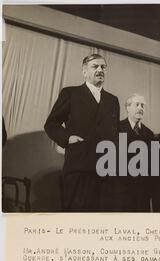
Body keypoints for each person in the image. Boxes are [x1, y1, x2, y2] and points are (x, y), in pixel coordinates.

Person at [44, 53, 120, 211]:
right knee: (77, 220)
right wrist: (67, 138)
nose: (100, 70)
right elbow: (51, 124)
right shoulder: (70, 93)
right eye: (95, 66)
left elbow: (115, 133)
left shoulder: (113, 100)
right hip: (79, 167)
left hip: (106, 171)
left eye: (103, 67)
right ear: (84, 72)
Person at [118, 94, 154, 212]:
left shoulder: (149, 133)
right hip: (121, 190)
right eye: (137, 105)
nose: (140, 108)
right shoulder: (116, 128)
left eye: (142, 105)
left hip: (143, 192)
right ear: (127, 108)